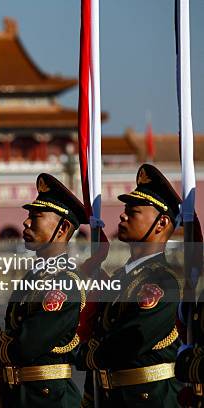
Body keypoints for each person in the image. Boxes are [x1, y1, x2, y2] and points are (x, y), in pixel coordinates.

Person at [78, 164, 182, 407]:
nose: (122, 216)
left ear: (161, 222)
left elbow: (129, 342)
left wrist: (85, 355)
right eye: (124, 209)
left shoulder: (162, 281)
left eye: (133, 211)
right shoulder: (118, 279)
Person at [0, 173, 86, 407]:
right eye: (29, 215)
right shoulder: (35, 277)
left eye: (36, 216)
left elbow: (27, 343)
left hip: (48, 398)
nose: (26, 222)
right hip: (20, 395)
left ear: (63, 227)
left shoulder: (65, 282)